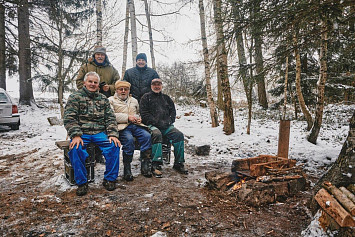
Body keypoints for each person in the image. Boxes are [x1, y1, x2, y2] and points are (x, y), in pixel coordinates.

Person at [64, 71, 121, 196]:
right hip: (82, 132)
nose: (93, 84)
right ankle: (82, 182)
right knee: (76, 149)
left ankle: (110, 179)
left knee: (114, 145)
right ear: (85, 83)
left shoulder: (103, 99)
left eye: (95, 82)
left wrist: (112, 134)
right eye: (90, 81)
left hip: (99, 133)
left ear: (98, 85)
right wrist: (76, 135)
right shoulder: (75, 97)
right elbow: (69, 118)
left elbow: (110, 118)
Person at [108, 81, 157, 180]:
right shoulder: (111, 100)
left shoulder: (133, 100)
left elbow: (139, 112)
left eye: (125, 89)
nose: (123, 91)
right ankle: (127, 167)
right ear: (116, 90)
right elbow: (111, 116)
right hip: (122, 127)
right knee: (129, 140)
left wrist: (139, 118)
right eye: (120, 89)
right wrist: (127, 117)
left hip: (135, 125)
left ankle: (145, 164)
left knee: (147, 136)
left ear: (128, 90)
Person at [140, 78, 188, 175]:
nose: (156, 86)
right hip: (151, 125)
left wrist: (169, 121)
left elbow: (173, 113)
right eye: (154, 84)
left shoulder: (166, 98)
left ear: (161, 86)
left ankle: (179, 163)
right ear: (151, 86)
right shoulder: (146, 98)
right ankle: (156, 163)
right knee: (157, 134)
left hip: (166, 126)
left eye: (159, 84)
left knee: (178, 135)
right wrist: (155, 122)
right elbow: (144, 114)